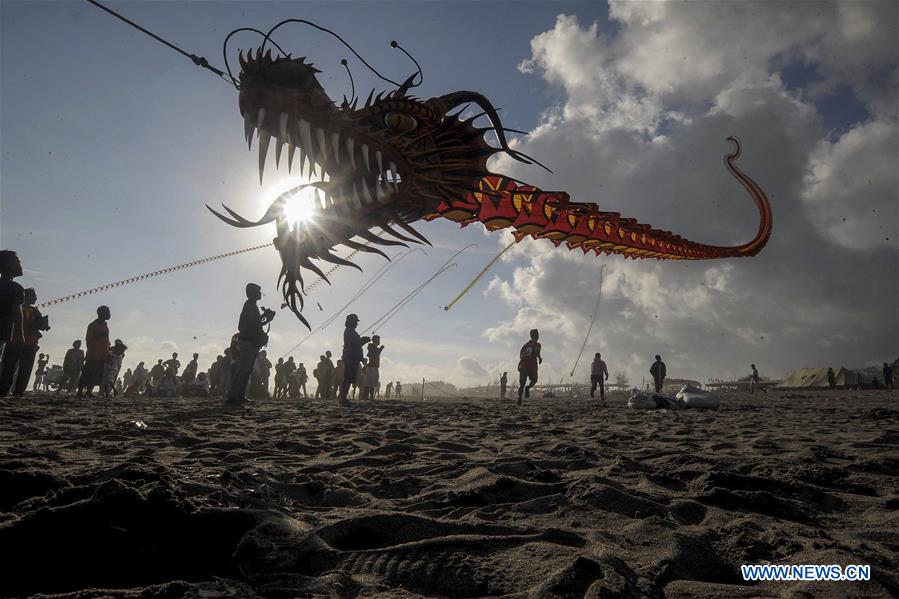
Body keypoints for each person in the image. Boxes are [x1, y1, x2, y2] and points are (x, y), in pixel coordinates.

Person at [227, 283, 274, 405]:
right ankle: (233, 395)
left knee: (246, 369)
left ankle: (240, 395)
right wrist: (266, 318)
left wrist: (264, 317)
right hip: (248, 342)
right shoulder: (250, 306)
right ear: (253, 293)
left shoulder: (251, 306)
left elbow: (254, 323)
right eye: (259, 291)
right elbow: (252, 325)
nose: (260, 293)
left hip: (250, 341)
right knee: (243, 369)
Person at [0, 288, 48, 396]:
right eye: (34, 296)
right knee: (8, 368)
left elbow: (40, 324)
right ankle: (3, 391)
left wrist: (43, 326)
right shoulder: (16, 308)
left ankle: (18, 392)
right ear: (26, 296)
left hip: (29, 343)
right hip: (14, 341)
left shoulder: (34, 310)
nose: (36, 298)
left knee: (24, 370)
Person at [77, 305, 111, 398]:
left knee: (97, 375)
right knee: (87, 373)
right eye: (108, 312)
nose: (109, 314)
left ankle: (88, 391)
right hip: (93, 354)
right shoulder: (93, 325)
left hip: (102, 354)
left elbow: (106, 339)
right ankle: (79, 392)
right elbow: (88, 339)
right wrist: (100, 336)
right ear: (101, 313)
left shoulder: (105, 325)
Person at [0, 250, 25, 371]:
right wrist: (20, 337)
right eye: (18, 262)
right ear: (9, 265)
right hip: (2, 330)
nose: (21, 265)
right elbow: (18, 315)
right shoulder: (16, 288)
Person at [338, 314, 370, 405]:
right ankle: (343, 398)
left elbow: (356, 343)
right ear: (351, 322)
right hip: (351, 357)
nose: (357, 323)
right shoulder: (349, 331)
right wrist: (363, 340)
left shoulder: (350, 331)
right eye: (356, 321)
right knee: (348, 378)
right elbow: (355, 344)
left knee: (349, 378)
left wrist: (362, 340)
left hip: (351, 357)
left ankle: (343, 397)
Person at [517, 329, 542, 405]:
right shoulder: (537, 344)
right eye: (537, 334)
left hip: (523, 365)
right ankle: (528, 388)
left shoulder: (525, 345)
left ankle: (520, 399)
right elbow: (537, 353)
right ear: (536, 336)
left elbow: (521, 355)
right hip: (532, 365)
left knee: (522, 384)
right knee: (534, 380)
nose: (538, 336)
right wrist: (540, 358)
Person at [365, 335, 384, 401]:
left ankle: (370, 397)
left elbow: (376, 353)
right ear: (375, 340)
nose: (379, 341)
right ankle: (366, 397)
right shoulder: (372, 347)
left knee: (373, 383)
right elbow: (375, 353)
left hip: (374, 366)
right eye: (378, 340)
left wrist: (380, 349)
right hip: (372, 366)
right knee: (370, 382)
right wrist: (380, 349)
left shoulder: (373, 347)